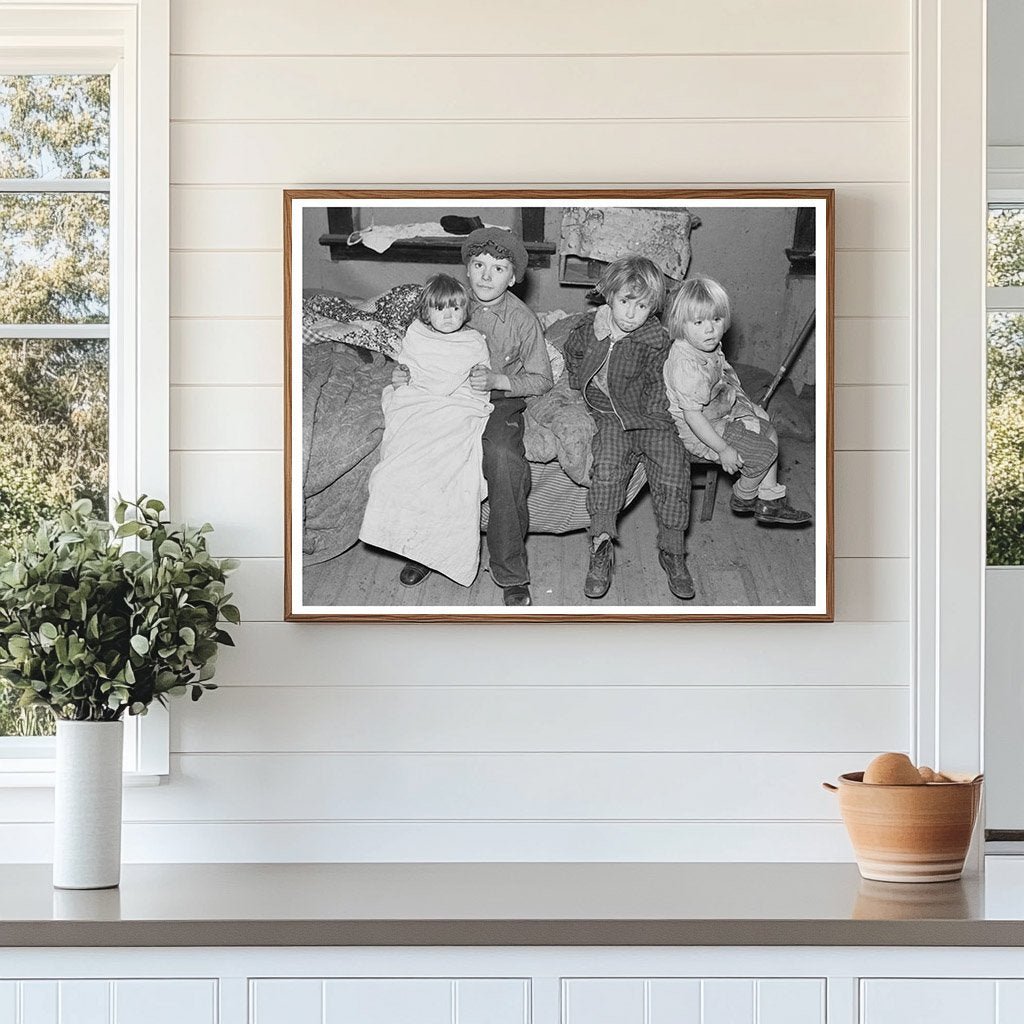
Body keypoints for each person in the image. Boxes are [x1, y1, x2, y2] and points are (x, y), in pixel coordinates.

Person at [392, 227, 553, 606]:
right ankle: (424, 550)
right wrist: (403, 374)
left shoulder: (522, 319)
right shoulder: (448, 302)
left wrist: (500, 379)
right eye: (478, 265)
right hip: (445, 400)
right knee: (429, 456)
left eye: (498, 269)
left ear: (513, 277)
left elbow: (543, 378)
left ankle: (510, 569)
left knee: (503, 459)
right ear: (466, 268)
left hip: (498, 402)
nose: (485, 275)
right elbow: (417, 352)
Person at [563, 255, 695, 601]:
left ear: (654, 307)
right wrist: (579, 384)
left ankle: (672, 549)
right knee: (606, 467)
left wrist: (655, 418)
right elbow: (572, 352)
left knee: (672, 469)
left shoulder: (655, 339)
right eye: (625, 301)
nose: (632, 313)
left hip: (648, 417)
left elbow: (657, 383)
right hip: (607, 414)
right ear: (609, 296)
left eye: (643, 305)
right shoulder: (591, 328)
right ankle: (601, 546)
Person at [359, 274, 493, 588]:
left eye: (456, 308)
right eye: (440, 309)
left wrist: (476, 383)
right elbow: (409, 372)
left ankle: (429, 554)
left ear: (466, 311)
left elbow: (478, 390)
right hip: (420, 404)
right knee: (397, 468)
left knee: (447, 469)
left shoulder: (473, 342)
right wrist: (401, 379)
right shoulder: (416, 336)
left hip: (455, 408)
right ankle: (415, 547)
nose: (449, 316)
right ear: (425, 312)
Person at [663, 277, 812, 526]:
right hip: (698, 429)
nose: (710, 329)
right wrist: (723, 449)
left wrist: (745, 406)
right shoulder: (687, 364)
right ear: (680, 324)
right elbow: (692, 416)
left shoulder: (707, 345)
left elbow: (724, 381)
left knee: (769, 431)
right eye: (698, 322)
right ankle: (744, 495)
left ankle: (769, 500)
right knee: (766, 452)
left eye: (716, 320)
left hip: (718, 413)